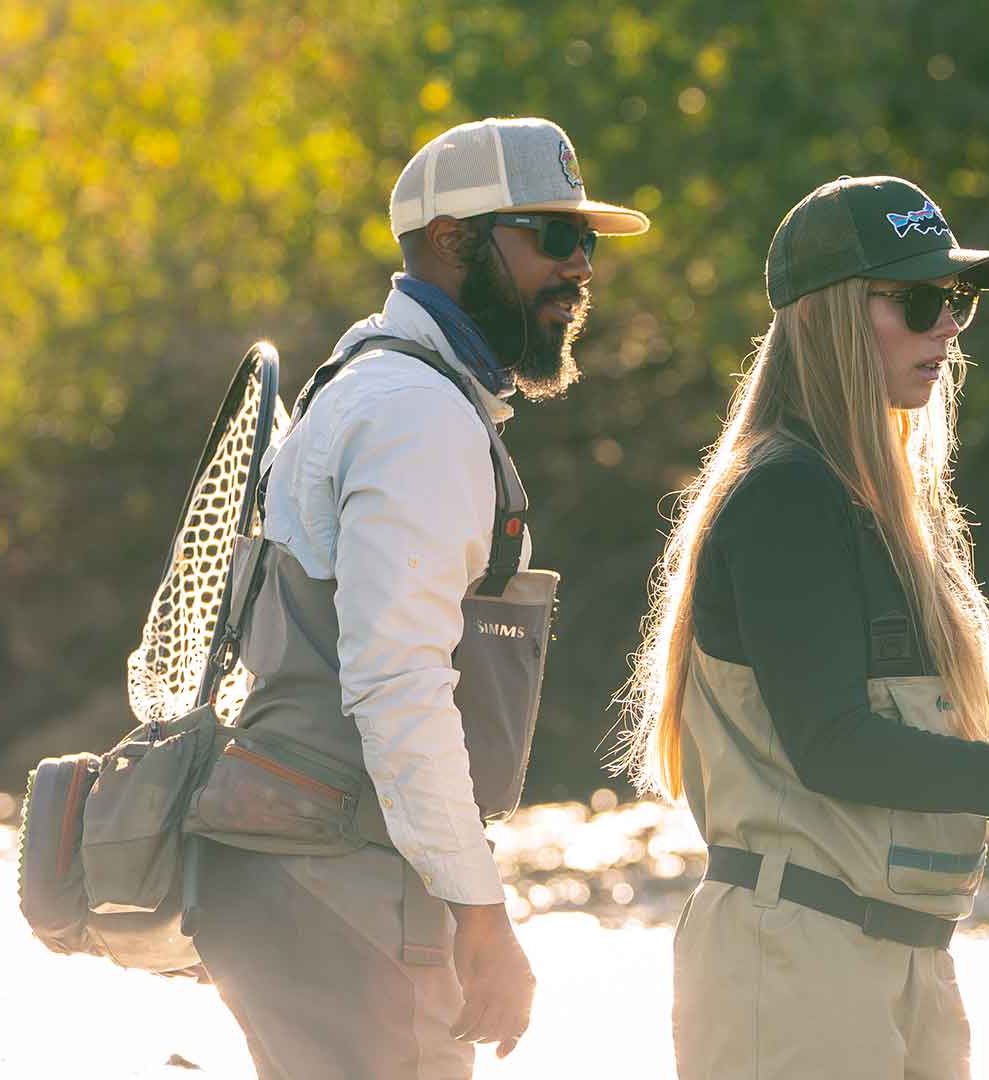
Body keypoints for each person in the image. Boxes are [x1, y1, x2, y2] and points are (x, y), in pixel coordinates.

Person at [615, 175, 989, 1079]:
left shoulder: (880, 507)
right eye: (917, 300)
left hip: (908, 960)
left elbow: (906, 750)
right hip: (794, 971)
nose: (947, 325)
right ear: (830, 315)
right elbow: (835, 748)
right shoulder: (784, 497)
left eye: (956, 303)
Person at [189, 117, 649, 1078]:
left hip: (301, 880)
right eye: (555, 239)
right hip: (342, 887)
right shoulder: (415, 415)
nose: (580, 270)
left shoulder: (367, 379)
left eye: (589, 243)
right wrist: (483, 918)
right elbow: (398, 686)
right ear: (453, 240)